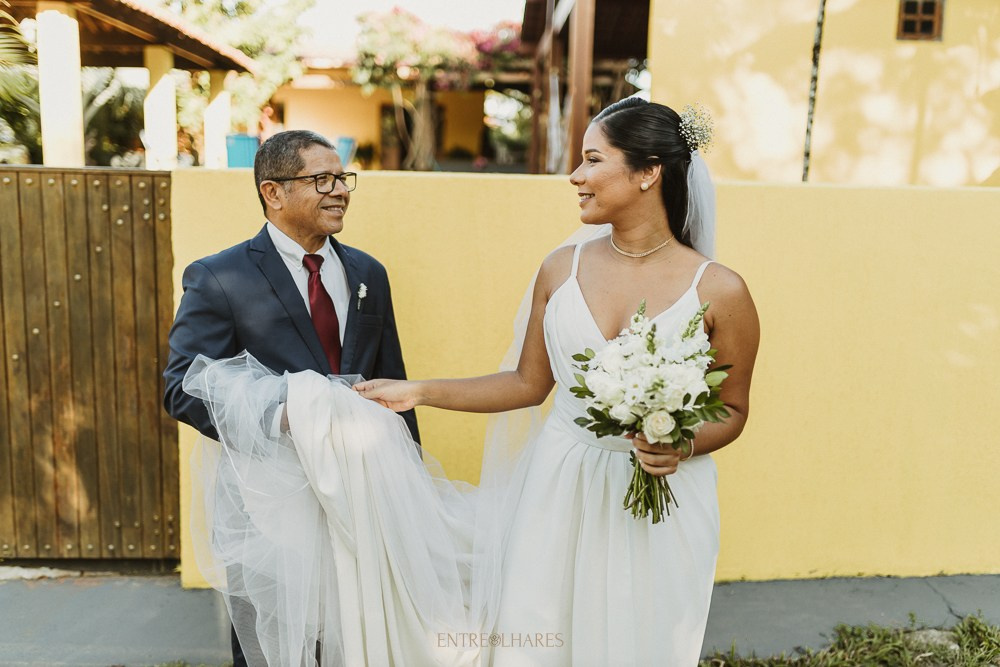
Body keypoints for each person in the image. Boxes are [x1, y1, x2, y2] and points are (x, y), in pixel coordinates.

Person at [356, 97, 761, 665]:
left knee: (639, 643)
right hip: (558, 486)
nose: (575, 176)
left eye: (593, 160)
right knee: (539, 641)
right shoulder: (559, 269)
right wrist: (419, 391)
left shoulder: (720, 291)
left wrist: (679, 443)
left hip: (663, 499)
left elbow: (733, 409)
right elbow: (526, 384)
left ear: (648, 172)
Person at [163, 129, 418, 667]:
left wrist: (410, 478)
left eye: (342, 178)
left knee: (362, 632)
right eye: (322, 179)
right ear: (273, 192)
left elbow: (391, 379)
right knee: (273, 643)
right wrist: (290, 416)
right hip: (270, 500)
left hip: (363, 488)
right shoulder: (219, 277)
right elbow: (183, 387)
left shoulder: (368, 273)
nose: (340, 191)